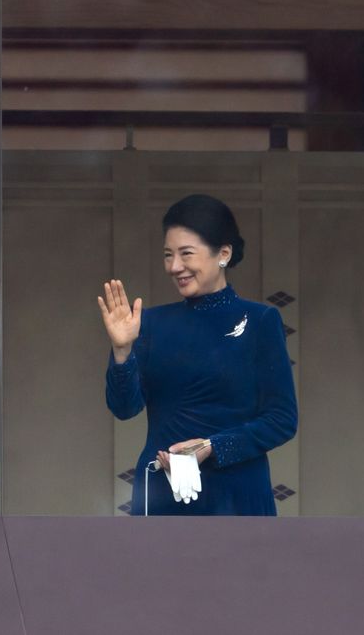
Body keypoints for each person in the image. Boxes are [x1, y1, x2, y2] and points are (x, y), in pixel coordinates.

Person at [98, 194, 297, 515]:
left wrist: (212, 447)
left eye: (186, 254)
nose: (175, 266)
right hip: (163, 491)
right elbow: (124, 409)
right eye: (167, 255)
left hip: (237, 493)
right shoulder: (150, 322)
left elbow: (282, 420)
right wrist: (122, 351)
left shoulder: (260, 321)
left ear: (224, 253)